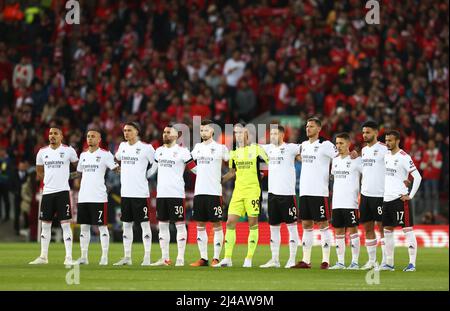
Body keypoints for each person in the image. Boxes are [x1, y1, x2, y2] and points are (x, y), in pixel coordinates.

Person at [214, 124, 268, 268]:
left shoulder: (256, 149)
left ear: (247, 135)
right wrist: (218, 181)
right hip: (238, 192)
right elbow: (232, 172)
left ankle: (249, 258)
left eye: (240, 132)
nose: (238, 135)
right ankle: (227, 258)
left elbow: (270, 164)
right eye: (236, 133)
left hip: (253, 191)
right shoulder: (234, 153)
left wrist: (263, 175)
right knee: (230, 222)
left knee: (252, 224)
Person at [292, 117, 337, 269]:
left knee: (323, 224)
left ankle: (325, 260)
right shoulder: (304, 145)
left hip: (319, 191)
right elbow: (297, 154)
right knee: (306, 224)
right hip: (304, 191)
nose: (308, 129)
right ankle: (306, 260)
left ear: (319, 128)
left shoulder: (326, 145)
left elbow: (339, 156)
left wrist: (334, 171)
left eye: (311, 126)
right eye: (306, 126)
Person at [29, 125, 78, 265]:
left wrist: (70, 176)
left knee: (66, 225)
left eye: (55, 133)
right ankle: (43, 257)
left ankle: (68, 257)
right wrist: (47, 180)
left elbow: (79, 168)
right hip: (48, 192)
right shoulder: (42, 152)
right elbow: (39, 170)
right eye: (50, 133)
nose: (52, 135)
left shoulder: (68, 151)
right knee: (45, 225)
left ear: (61, 136)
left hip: (63, 192)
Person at [150, 125, 197, 267]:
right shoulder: (158, 151)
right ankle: (165, 259)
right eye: (164, 132)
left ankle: (180, 258)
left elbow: (195, 169)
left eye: (169, 132)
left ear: (176, 136)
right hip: (161, 194)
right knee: (162, 226)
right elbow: (152, 171)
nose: (165, 134)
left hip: (176, 193)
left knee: (180, 225)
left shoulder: (183, 152)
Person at [75, 129, 119, 265]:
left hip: (99, 196)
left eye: (93, 136)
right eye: (88, 136)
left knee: (102, 227)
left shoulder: (105, 155)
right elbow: (78, 174)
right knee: (84, 227)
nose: (90, 138)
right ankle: (83, 257)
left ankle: (104, 257)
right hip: (83, 196)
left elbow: (116, 169)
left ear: (99, 139)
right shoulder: (82, 155)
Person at [113, 122, 155, 266]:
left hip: (140, 193)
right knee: (126, 225)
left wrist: (147, 174)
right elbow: (116, 158)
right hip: (125, 193)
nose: (126, 133)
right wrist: (117, 167)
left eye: (129, 130)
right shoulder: (123, 146)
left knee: (144, 225)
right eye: (124, 130)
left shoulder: (146, 148)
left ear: (137, 131)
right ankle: (127, 257)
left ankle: (147, 257)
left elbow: (156, 163)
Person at [380, 130, 422, 272]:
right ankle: (389, 264)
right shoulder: (385, 155)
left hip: (400, 199)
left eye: (390, 140)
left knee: (407, 230)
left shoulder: (404, 157)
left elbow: (418, 177)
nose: (387, 143)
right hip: (386, 199)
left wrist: (410, 195)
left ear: (397, 141)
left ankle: (412, 264)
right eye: (386, 140)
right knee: (387, 231)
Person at [259, 125, 300, 268]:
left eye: (276, 133)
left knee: (292, 227)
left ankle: (292, 259)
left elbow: (308, 149)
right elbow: (252, 147)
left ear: (282, 135)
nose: (273, 136)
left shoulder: (291, 148)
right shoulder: (268, 148)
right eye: (271, 133)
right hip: (272, 194)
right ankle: (275, 260)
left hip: (287, 194)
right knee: (273, 227)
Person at [190, 120, 229, 267]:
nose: (203, 133)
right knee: (200, 224)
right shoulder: (197, 147)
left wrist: (225, 178)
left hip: (214, 192)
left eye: (205, 130)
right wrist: (198, 171)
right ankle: (203, 258)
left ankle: (216, 258)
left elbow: (232, 162)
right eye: (201, 130)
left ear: (212, 131)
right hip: (199, 191)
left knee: (216, 224)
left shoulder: (220, 148)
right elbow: (188, 161)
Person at [329, 133, 362, 270]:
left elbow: (367, 174)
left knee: (353, 231)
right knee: (338, 232)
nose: (338, 146)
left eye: (341, 143)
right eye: (337, 143)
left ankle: (354, 262)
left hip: (350, 202)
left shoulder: (356, 160)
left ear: (348, 144)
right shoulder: (335, 161)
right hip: (337, 202)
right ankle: (340, 262)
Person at [359, 121, 388, 270]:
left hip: (380, 195)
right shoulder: (363, 150)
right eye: (363, 132)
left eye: (368, 132)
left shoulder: (384, 149)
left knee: (383, 229)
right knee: (368, 228)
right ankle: (371, 261)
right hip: (365, 195)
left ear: (376, 133)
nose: (365, 135)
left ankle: (385, 261)